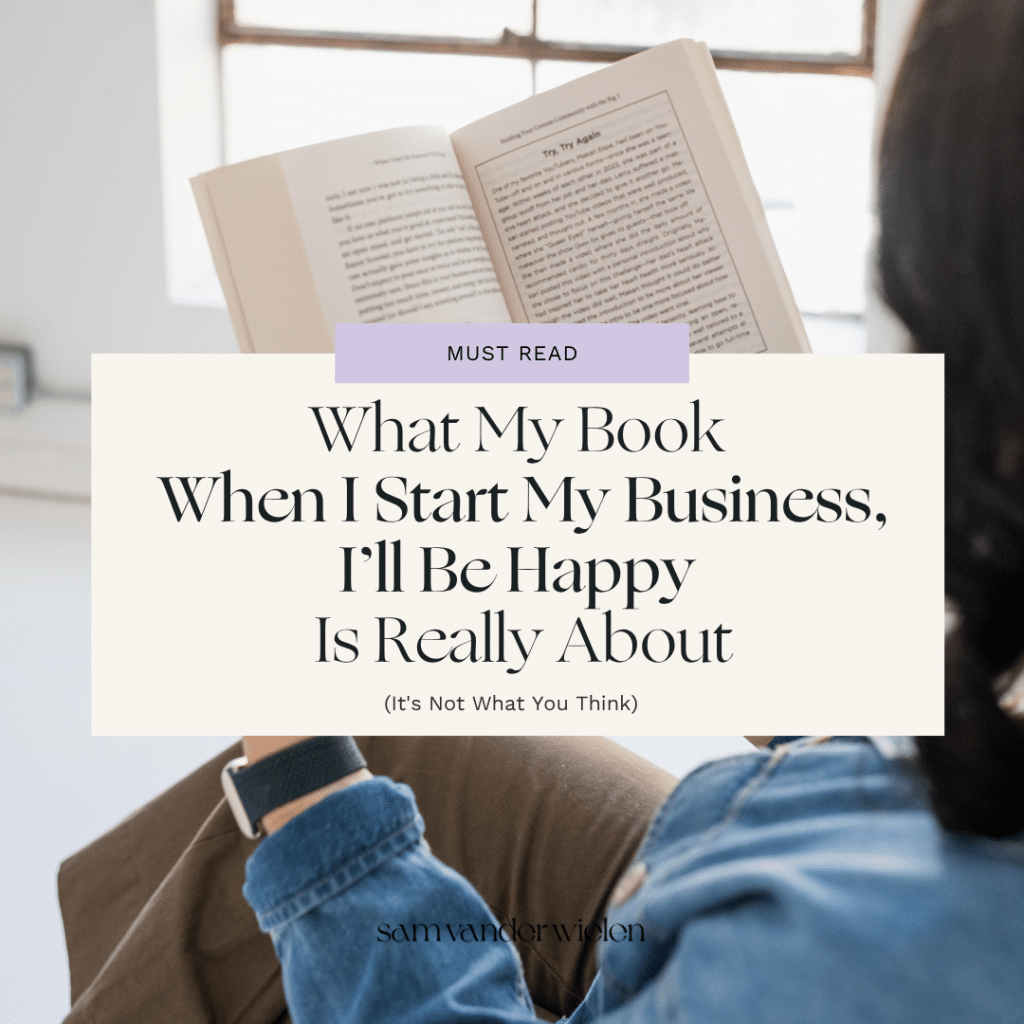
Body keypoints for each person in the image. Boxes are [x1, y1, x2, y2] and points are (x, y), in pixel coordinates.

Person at [59, 0, 1024, 1021]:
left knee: (313, 800)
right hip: (857, 819)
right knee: (428, 733)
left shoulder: (823, 965)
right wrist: (833, 715)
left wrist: (302, 777)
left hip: (834, 909)